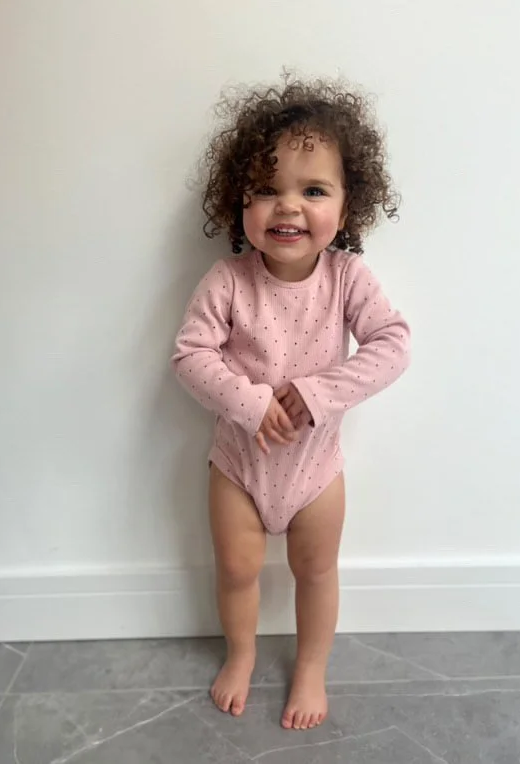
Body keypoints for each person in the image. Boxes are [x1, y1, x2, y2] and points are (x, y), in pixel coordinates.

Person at [171, 75, 411, 731]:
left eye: (313, 190)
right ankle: (242, 654)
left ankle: (310, 667)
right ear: (239, 201)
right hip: (239, 465)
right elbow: (190, 355)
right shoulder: (227, 280)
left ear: (348, 205)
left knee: (317, 570)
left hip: (315, 470)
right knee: (237, 569)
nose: (289, 207)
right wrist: (251, 403)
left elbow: (393, 344)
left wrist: (315, 393)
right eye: (266, 188)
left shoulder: (348, 278)